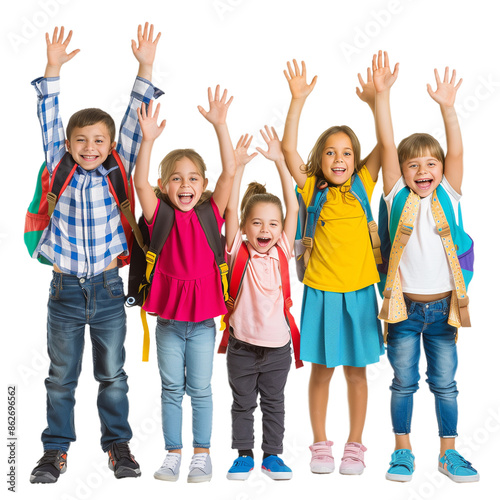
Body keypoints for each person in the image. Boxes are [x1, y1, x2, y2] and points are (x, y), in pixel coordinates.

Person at [29, 24, 162, 484]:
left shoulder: (115, 171)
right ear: (68, 145)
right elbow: (48, 115)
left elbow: (132, 121)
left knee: (113, 376)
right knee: (60, 377)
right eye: (81, 141)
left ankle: (118, 446)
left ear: (110, 146)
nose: (90, 148)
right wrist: (53, 68)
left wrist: (144, 66)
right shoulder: (58, 166)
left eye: (98, 141)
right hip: (65, 290)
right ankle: (55, 451)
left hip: (107, 289)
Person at [373, 50, 479, 483]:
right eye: (413, 164)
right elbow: (385, 143)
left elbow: (456, 150)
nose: (423, 170)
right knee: (402, 383)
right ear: (402, 172)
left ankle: (448, 453)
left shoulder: (448, 196)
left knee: (446, 384)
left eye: (430, 164)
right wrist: (382, 97)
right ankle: (402, 451)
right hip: (403, 311)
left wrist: (448, 108)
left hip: (442, 310)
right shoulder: (396, 194)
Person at [281, 59, 384, 475]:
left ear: (356, 161)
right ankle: (320, 446)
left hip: (360, 293)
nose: (338, 158)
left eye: (346, 153)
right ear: (319, 159)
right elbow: (289, 150)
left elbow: (387, 147)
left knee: (357, 375)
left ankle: (355, 446)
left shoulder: (363, 183)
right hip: (321, 294)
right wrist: (297, 99)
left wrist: (378, 102)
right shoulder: (312, 189)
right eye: (330, 152)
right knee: (321, 374)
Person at [134, 85, 236, 483]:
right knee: (171, 388)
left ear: (204, 183)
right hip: (169, 324)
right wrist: (148, 141)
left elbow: (229, 173)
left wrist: (221, 126)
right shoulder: (158, 212)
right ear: (165, 184)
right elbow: (139, 182)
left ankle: (202, 454)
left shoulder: (211, 211)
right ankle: (173, 453)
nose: (185, 185)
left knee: (202, 389)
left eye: (193, 178)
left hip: (203, 324)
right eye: (176, 179)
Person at [222, 127, 299, 481]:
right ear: (245, 228)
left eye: (272, 223)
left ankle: (272, 456)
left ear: (281, 228)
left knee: (274, 404)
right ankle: (243, 454)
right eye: (257, 223)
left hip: (278, 349)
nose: (264, 229)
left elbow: (294, 203)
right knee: (242, 404)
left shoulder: (283, 248)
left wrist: (280, 161)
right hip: (241, 347)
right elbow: (230, 214)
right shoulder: (238, 249)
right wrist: (235, 169)